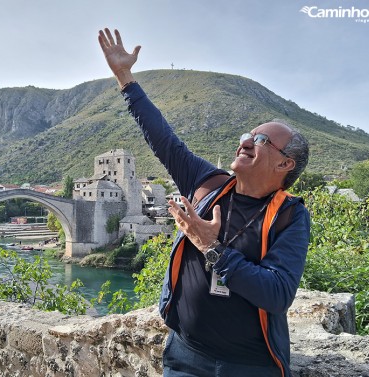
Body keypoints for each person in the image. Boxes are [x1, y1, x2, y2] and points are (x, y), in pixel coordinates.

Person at [98, 28, 310, 377]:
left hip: (250, 366)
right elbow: (162, 137)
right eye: (247, 135)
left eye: (260, 140)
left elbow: (277, 294)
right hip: (184, 357)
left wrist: (211, 245)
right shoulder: (207, 182)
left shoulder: (289, 215)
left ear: (286, 164)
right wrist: (125, 77)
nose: (246, 142)